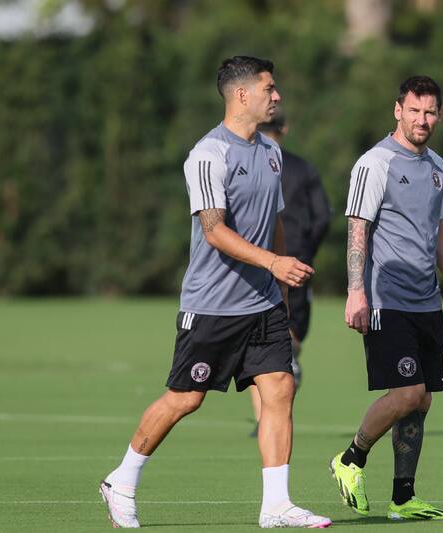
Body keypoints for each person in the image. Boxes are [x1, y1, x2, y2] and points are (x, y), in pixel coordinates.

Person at [98, 56, 331, 529]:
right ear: (242, 95)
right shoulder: (208, 154)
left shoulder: (272, 152)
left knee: (280, 386)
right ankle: (121, 480)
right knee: (186, 398)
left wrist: (281, 292)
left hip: (264, 303)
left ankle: (277, 504)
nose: (277, 95)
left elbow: (276, 224)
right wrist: (273, 263)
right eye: (269, 88)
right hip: (212, 306)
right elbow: (214, 231)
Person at [329, 75, 443, 521]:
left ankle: (404, 499)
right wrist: (355, 291)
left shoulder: (437, 166)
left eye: (430, 112)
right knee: (408, 392)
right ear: (397, 111)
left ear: (439, 115)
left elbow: (439, 227)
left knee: (421, 400)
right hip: (386, 298)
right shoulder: (375, 163)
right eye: (414, 110)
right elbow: (358, 227)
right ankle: (350, 458)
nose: (422, 119)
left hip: (426, 301)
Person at [248, 111, 332, 436]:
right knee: (292, 329)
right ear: (285, 127)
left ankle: (262, 418)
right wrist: (308, 250)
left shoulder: (248, 162)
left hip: (257, 258)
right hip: (296, 261)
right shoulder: (302, 167)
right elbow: (322, 216)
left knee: (255, 337)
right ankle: (289, 363)